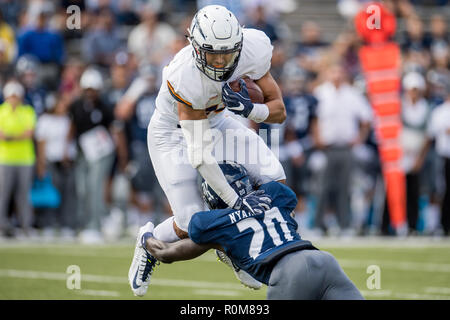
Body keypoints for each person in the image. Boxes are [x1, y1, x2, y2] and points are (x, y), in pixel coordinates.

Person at [128, 4, 287, 296]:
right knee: (190, 221)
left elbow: (279, 112)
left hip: (218, 121)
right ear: (195, 46)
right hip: (173, 135)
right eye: (213, 53)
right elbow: (200, 157)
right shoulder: (184, 75)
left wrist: (253, 109)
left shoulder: (254, 48)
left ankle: (237, 248)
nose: (221, 62)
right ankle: (148, 242)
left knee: (273, 177)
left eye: (228, 53)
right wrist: (236, 204)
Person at [136, 161, 364, 300]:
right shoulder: (275, 193)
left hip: (287, 274)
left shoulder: (216, 224)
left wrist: (146, 236)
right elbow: (286, 199)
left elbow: (167, 253)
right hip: (323, 260)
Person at [0, 80, 36, 237]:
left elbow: (29, 133)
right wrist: (17, 136)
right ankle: (1, 225)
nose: (13, 99)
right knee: (3, 194)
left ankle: (26, 226)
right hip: (5, 158)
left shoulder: (28, 111)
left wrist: (9, 137)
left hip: (25, 159)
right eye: (11, 96)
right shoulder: (1, 111)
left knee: (24, 194)